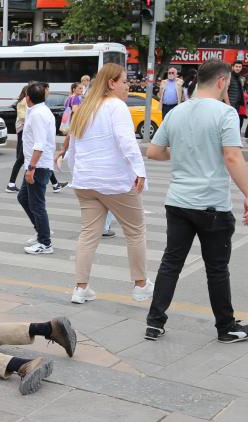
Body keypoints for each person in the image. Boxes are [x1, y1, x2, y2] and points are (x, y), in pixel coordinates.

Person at [146, 60, 248, 344]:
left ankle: (154, 323)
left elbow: (155, 152)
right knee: (216, 268)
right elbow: (232, 156)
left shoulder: (177, 112)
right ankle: (226, 327)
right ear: (222, 82)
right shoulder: (225, 113)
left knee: (171, 262)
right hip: (212, 206)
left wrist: (181, 153)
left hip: (178, 201)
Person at [57, 63, 152, 305]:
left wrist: (73, 169)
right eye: (123, 81)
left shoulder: (86, 107)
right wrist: (139, 170)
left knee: (88, 234)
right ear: (111, 83)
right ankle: (140, 285)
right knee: (135, 231)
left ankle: (80, 288)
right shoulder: (116, 107)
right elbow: (127, 142)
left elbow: (75, 147)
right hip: (114, 181)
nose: (127, 85)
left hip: (85, 182)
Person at [18, 82, 56, 255]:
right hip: (35, 164)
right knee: (23, 197)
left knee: (37, 204)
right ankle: (41, 230)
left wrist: (31, 168)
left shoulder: (38, 114)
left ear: (28, 98)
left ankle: (45, 242)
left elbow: (39, 144)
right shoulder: (38, 111)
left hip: (38, 166)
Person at [6, 86, 30, 193]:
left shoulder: (24, 101)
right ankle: (11, 184)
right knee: (21, 159)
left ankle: (54, 183)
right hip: (23, 132)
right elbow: (22, 117)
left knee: (22, 159)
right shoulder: (23, 102)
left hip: (23, 132)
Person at [224, 61, 245, 127]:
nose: (238, 68)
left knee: (233, 124)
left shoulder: (239, 77)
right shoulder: (229, 76)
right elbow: (224, 91)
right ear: (232, 67)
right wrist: (228, 104)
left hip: (236, 105)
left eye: (239, 67)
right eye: (236, 66)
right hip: (229, 105)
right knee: (228, 123)